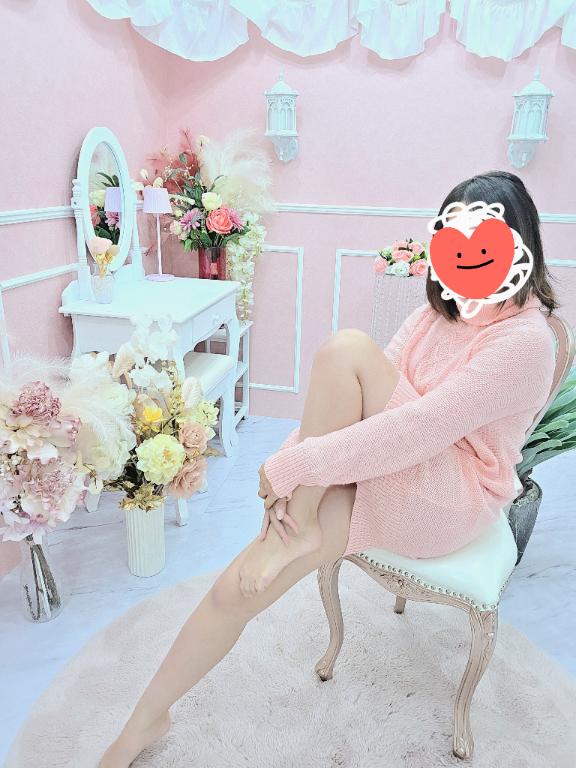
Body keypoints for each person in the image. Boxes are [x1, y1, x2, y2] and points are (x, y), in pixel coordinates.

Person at [99, 170, 558, 766]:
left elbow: (418, 428)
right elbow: (354, 405)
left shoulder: (525, 341)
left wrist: (293, 467)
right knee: (242, 582)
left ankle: (297, 525)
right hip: (392, 464)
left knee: (346, 348)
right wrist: (292, 472)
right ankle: (144, 721)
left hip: (447, 495)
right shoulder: (439, 311)